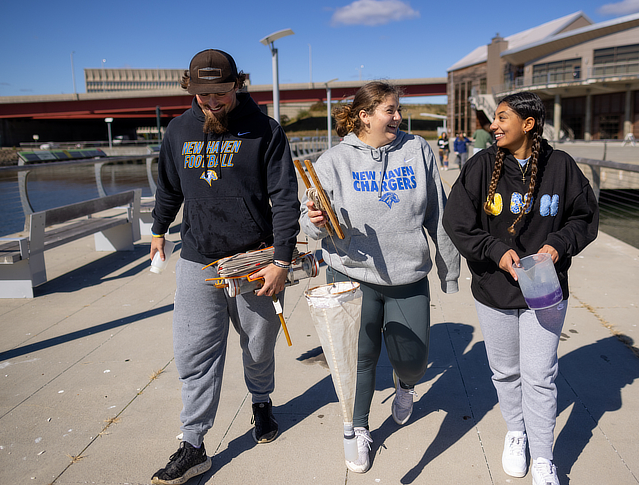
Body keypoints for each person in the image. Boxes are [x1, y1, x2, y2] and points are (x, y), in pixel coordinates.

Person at [149, 49, 301, 485]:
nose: (211, 102)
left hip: (255, 261)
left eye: (219, 92)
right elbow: (168, 187)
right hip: (198, 259)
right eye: (202, 94)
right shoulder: (179, 130)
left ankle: (261, 402)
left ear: (237, 84)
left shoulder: (265, 131)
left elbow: (285, 199)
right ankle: (193, 445)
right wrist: (159, 231)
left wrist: (282, 260)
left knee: (258, 345)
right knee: (195, 352)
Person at [300, 81, 460, 474]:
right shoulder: (333, 161)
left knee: (414, 360)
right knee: (358, 360)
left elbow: (439, 212)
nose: (398, 117)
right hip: (351, 274)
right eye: (390, 109)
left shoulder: (417, 149)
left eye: (397, 109)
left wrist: (449, 269)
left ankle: (405, 385)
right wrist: (316, 222)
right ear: (364, 115)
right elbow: (308, 221)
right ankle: (356, 429)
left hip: (407, 274)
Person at [442, 92, 598, 485]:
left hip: (544, 291)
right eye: (494, 119)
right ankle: (516, 432)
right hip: (494, 289)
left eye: (501, 118)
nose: (493, 125)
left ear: (528, 124)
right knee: (506, 371)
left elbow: (585, 217)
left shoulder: (561, 166)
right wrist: (494, 250)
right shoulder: (479, 166)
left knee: (540, 374)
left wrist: (559, 244)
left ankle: (544, 458)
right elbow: (456, 222)